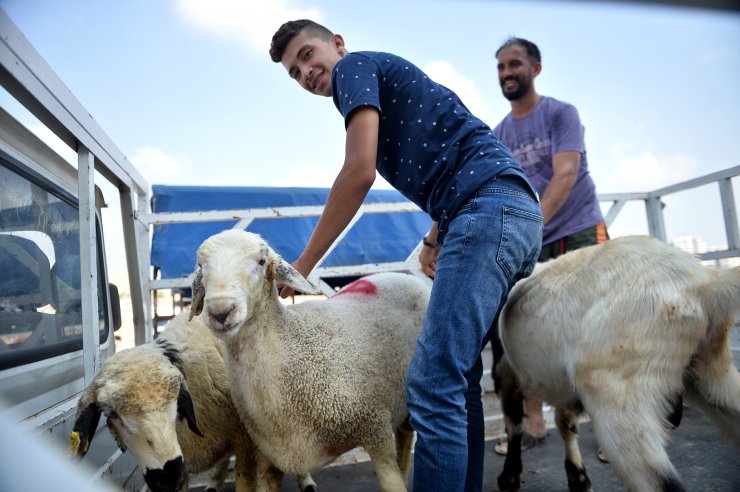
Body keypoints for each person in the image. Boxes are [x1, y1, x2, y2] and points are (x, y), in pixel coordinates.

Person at [269, 20, 542, 492]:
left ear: (337, 43)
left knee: (432, 385)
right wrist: (436, 236)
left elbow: (359, 172)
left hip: (486, 212)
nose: (306, 73)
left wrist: (302, 266)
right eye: (295, 73)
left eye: (308, 55)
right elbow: (449, 147)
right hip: (504, 211)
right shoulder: (377, 78)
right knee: (458, 379)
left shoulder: (355, 68)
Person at [490, 37, 609, 457]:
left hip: (576, 227)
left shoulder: (561, 113)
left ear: (535, 69)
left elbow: (566, 174)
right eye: (501, 67)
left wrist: (529, 226)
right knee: (524, 326)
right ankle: (534, 423)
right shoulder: (498, 133)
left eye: (515, 64)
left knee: (593, 328)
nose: (507, 73)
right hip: (531, 236)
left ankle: (610, 427)